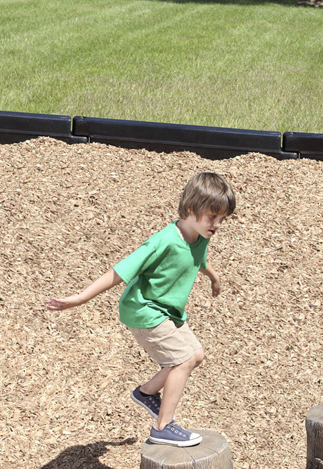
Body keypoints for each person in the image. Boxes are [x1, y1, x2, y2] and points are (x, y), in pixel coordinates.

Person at [45, 172, 235, 447]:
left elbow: (199, 259)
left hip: (167, 311)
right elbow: (122, 270)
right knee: (181, 360)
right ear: (192, 208)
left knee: (195, 355)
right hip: (144, 310)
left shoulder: (200, 235)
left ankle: (146, 393)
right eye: (212, 217)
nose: (217, 225)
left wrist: (214, 278)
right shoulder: (164, 241)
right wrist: (80, 298)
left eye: (222, 220)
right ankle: (163, 427)